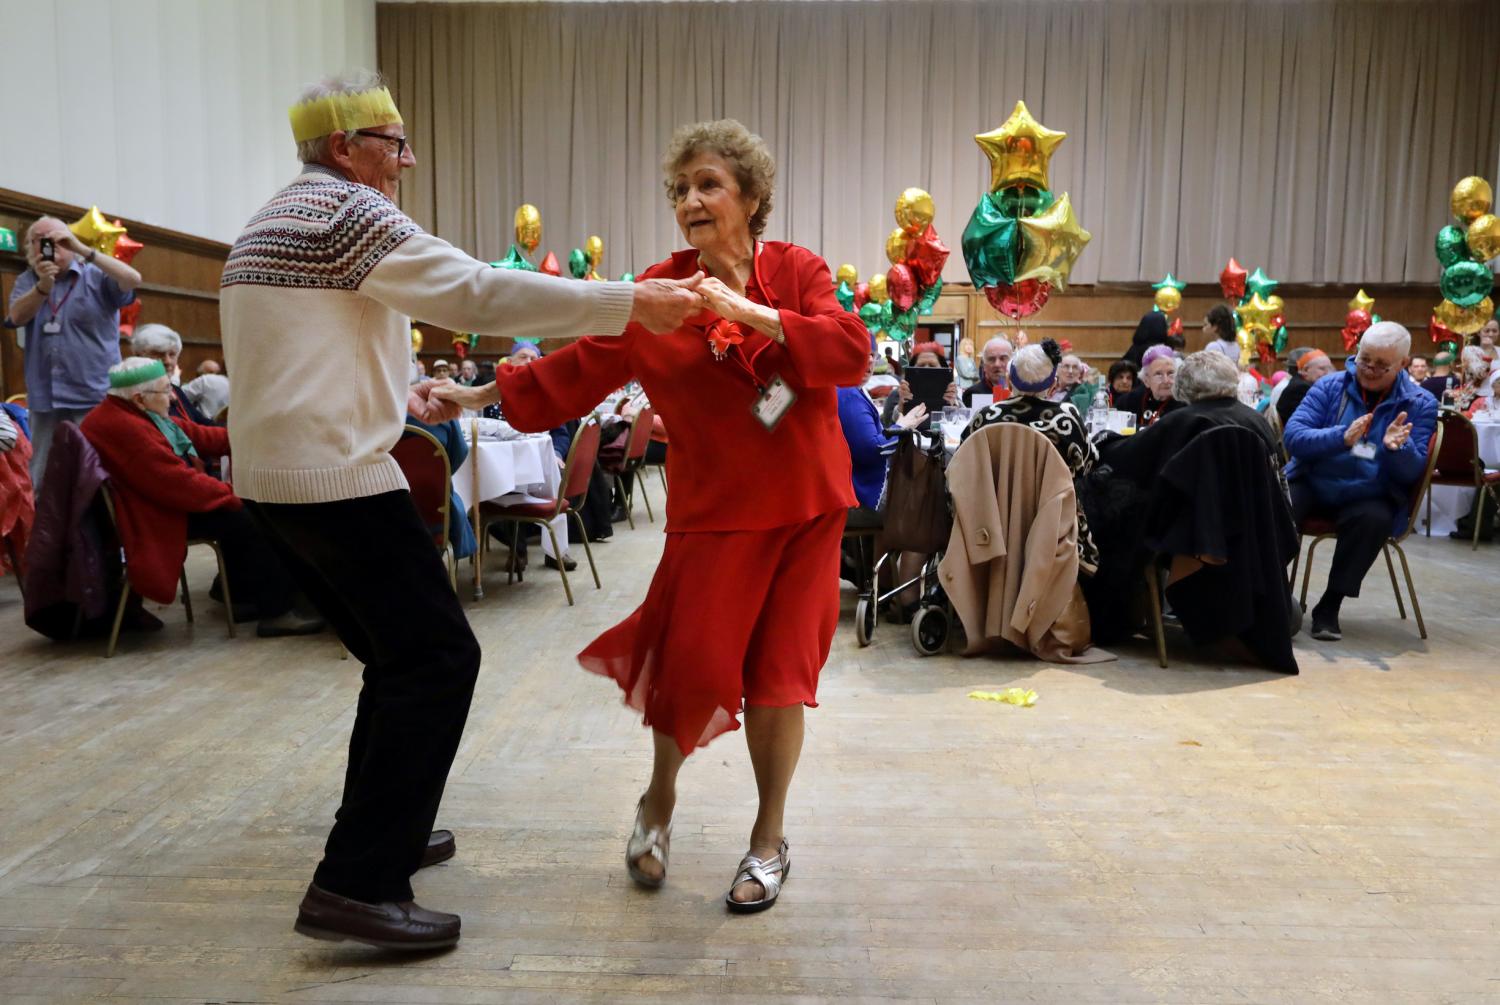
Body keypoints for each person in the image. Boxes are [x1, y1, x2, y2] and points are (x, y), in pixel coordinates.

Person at [220, 71, 703, 951]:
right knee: (438, 657)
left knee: (396, 655)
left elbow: (309, 352)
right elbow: (479, 292)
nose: (405, 160)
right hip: (333, 476)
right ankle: (357, 882)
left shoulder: (274, 216)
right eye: (393, 143)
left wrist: (413, 390)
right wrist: (631, 299)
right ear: (345, 148)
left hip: (271, 480)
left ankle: (383, 833)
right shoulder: (347, 211)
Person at [435, 117, 869, 914]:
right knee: (692, 668)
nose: (691, 201)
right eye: (680, 189)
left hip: (807, 504)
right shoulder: (657, 292)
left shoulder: (797, 271)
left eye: (708, 184)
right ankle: (658, 800)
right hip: (714, 512)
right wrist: (481, 392)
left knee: (780, 679)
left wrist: (752, 310)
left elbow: (848, 351)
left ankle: (769, 838)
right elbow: (578, 368)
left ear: (751, 196)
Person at [80, 358, 320, 636]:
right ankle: (277, 612)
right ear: (139, 398)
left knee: (242, 512)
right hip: (151, 516)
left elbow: (199, 435)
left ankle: (242, 597)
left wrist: (259, 438)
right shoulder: (126, 428)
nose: (172, 396)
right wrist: (238, 494)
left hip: (156, 503)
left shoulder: (134, 412)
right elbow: (179, 485)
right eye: (165, 390)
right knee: (253, 517)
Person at [1283, 322, 1436, 642]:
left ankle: (1330, 605)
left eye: (1382, 365)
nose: (1369, 370)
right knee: (1277, 506)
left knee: (1373, 519)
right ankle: (1272, 593)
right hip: (1314, 478)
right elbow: (1294, 438)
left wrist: (1398, 449)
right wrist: (1341, 437)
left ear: (1403, 364)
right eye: (1365, 359)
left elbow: (1411, 473)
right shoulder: (1329, 386)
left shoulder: (1420, 402)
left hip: (1371, 489)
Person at [6, 216, 143, 490]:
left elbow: (132, 279)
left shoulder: (95, 276)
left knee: (101, 471)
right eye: (40, 241)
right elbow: (17, 316)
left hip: (94, 394)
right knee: (42, 474)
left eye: (58, 239)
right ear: (30, 248)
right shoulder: (26, 281)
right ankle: (44, 531)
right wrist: (43, 286)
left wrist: (84, 250)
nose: (49, 246)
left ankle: (100, 530)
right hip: (47, 397)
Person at [963, 339, 1098, 571]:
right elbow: (1088, 464)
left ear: (1011, 380)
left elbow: (963, 461)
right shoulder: (1067, 417)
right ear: (1053, 383)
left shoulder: (986, 416)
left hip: (991, 520)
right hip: (1054, 523)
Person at [837, 351, 928, 511]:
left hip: (855, 487)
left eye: (873, 354)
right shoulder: (850, 395)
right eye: (863, 351)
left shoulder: (851, 390)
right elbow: (874, 450)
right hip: (864, 494)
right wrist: (901, 427)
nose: (871, 360)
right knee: (931, 502)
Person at [131, 324, 213, 426]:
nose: (168, 361)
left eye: (172, 354)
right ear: (138, 356)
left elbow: (202, 422)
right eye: (159, 354)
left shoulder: (175, 390)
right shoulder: (135, 395)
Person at [883, 341, 958, 425]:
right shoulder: (896, 395)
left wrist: (952, 406)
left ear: (943, 368)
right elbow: (887, 429)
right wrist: (901, 406)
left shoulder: (951, 395)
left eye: (932, 365)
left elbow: (963, 427)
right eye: (921, 365)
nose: (927, 369)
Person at [1275, 349, 1334, 426]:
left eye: (1329, 369)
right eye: (1322, 368)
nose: (1327, 373)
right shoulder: (1301, 388)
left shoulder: (1301, 383)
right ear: (1306, 370)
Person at [1135, 345, 1183, 427]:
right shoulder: (1131, 400)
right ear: (1146, 380)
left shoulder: (1185, 403)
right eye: (1158, 374)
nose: (1166, 380)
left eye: (1170, 373)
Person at [960, 336, 1013, 407]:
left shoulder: (1022, 393)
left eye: (1003, 358)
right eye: (991, 359)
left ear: (1012, 362)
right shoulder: (973, 394)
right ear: (984, 366)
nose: (997, 364)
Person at [1453, 345, 1497, 416]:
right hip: (1473, 397)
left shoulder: (1482, 368)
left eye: (1464, 358)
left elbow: (1481, 374)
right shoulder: (1470, 371)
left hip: (1481, 397)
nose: (1462, 360)